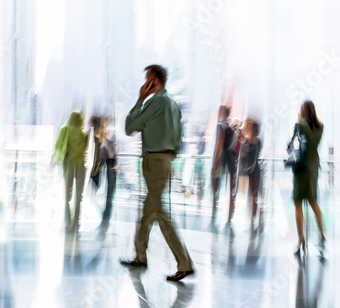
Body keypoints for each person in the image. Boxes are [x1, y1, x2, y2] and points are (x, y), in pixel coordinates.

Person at [121, 64, 194, 282]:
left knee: (160, 213)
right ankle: (140, 255)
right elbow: (178, 137)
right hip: (166, 160)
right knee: (148, 212)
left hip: (154, 159)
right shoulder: (173, 105)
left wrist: (139, 99)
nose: (144, 84)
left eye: (147, 79)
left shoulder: (156, 102)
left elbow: (129, 127)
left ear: (155, 80)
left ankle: (184, 262)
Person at [290, 100, 325, 255]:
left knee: (298, 203)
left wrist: (298, 122)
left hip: (301, 168)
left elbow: (293, 144)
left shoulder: (300, 126)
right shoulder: (320, 127)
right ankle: (322, 236)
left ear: (303, 111)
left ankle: (301, 240)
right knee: (313, 202)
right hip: (313, 168)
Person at [55, 110, 90, 232]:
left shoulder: (64, 130)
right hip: (80, 166)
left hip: (69, 165)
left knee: (67, 195)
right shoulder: (82, 132)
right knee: (78, 196)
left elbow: (58, 146)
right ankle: (76, 222)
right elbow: (84, 150)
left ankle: (68, 222)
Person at [211, 104, 238, 225]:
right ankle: (229, 218)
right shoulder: (232, 126)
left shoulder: (220, 125)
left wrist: (215, 163)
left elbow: (219, 146)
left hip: (221, 159)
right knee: (230, 190)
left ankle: (213, 214)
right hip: (231, 159)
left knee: (215, 188)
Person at [239, 117, 262, 230]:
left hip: (252, 170)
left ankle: (252, 221)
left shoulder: (250, 141)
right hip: (249, 170)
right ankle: (251, 221)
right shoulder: (247, 140)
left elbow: (244, 155)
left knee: (253, 195)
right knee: (250, 196)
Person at [99, 115, 117, 227]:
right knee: (108, 192)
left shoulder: (110, 136)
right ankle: (105, 217)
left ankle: (106, 218)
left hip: (111, 164)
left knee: (110, 192)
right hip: (107, 164)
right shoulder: (106, 136)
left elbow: (112, 152)